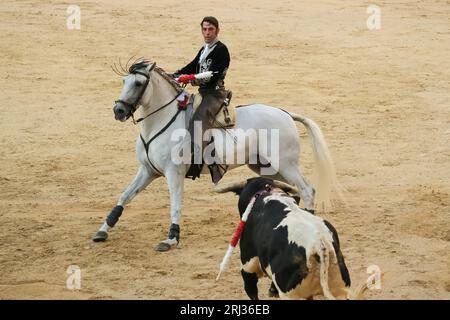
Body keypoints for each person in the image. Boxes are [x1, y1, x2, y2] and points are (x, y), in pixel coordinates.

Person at [174, 16, 231, 184]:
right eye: (204, 29)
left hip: (215, 94)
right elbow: (192, 66)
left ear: (217, 31)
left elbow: (213, 74)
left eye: (210, 29)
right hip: (203, 93)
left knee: (198, 122)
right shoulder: (204, 49)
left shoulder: (221, 50)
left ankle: (209, 164)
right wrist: (174, 75)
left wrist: (190, 78)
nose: (207, 33)